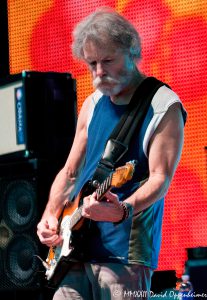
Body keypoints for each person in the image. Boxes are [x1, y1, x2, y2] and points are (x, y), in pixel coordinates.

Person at [37, 7, 187, 300]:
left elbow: (160, 178)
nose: (98, 72)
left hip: (125, 255)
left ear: (132, 51)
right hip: (74, 250)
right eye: (91, 63)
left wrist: (123, 209)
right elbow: (70, 172)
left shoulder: (163, 104)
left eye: (107, 60)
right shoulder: (92, 103)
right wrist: (50, 215)